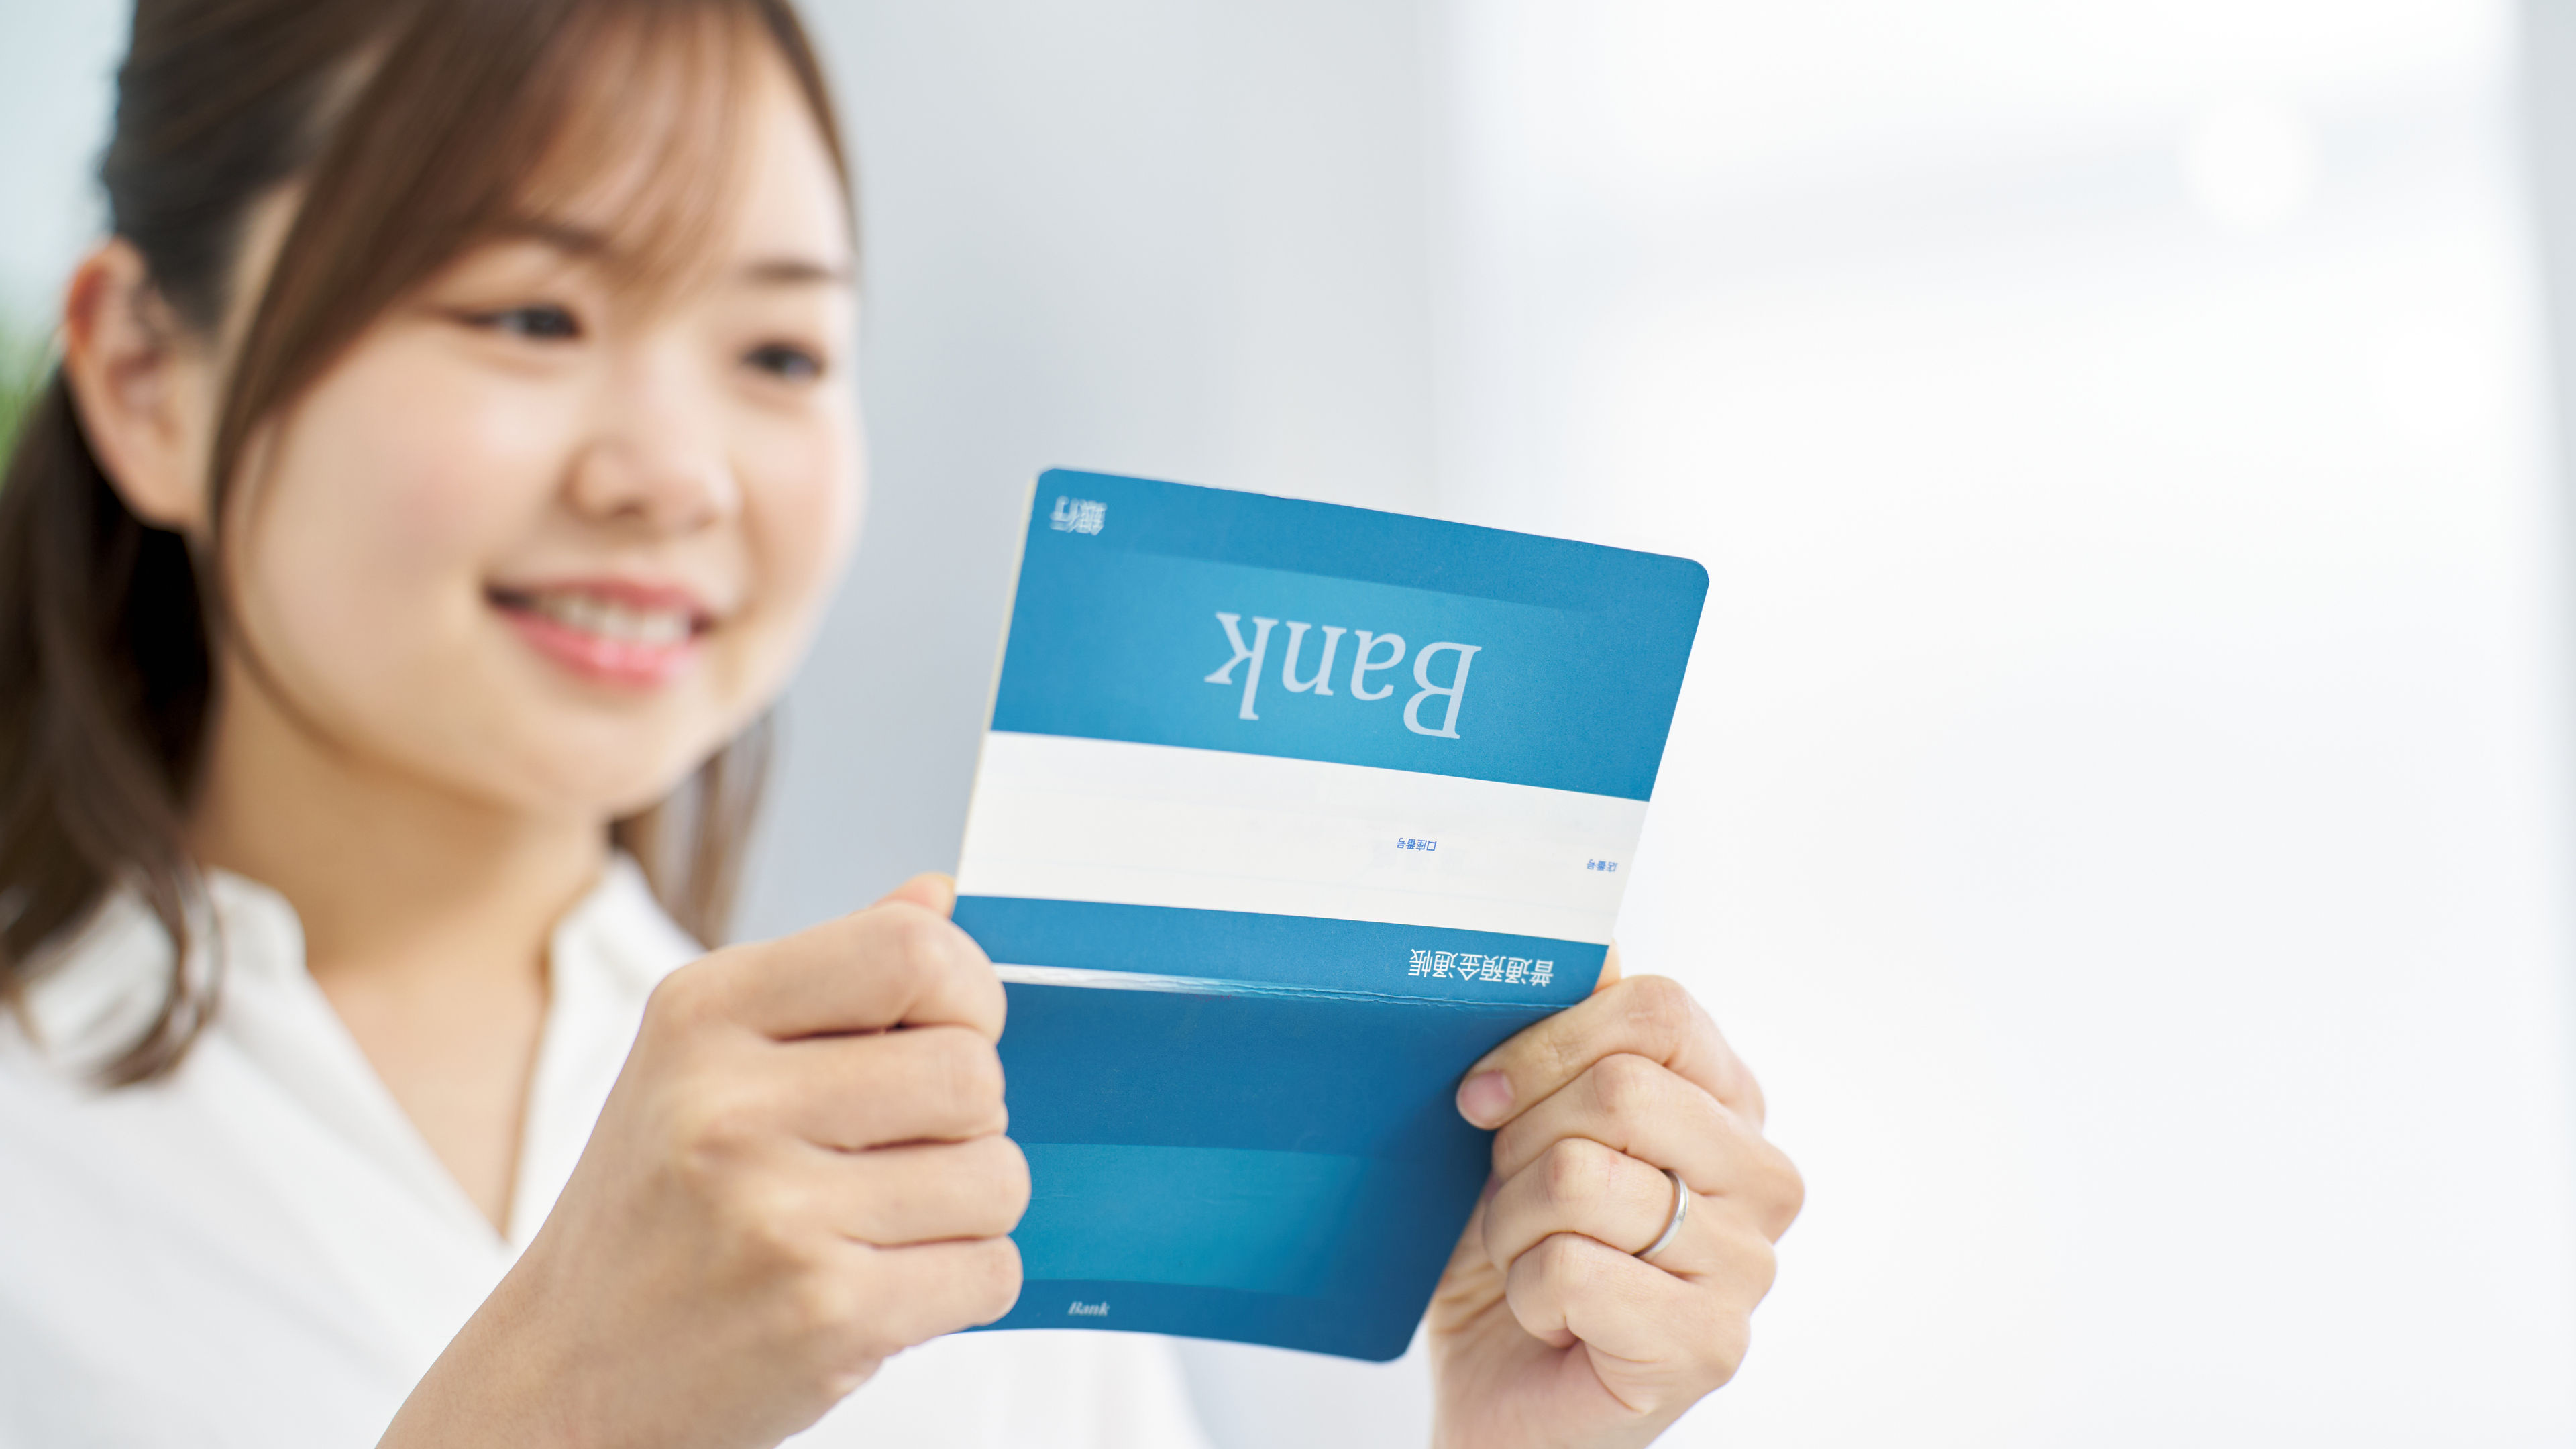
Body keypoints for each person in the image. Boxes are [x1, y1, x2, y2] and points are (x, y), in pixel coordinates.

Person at [0, 0, 1806, 1443]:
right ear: (150, 378)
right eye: (528, 313)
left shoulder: (982, 1140)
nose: (674, 472)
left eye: (779, 352)